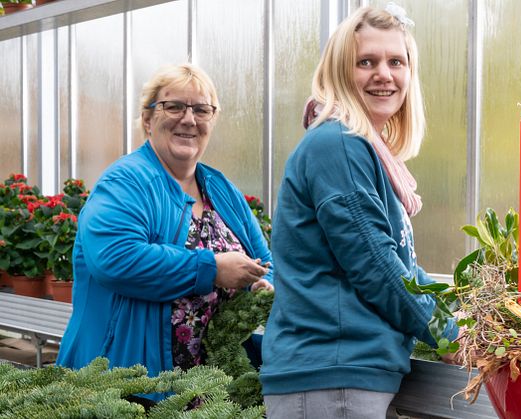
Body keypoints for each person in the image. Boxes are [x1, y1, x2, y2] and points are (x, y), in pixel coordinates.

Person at [260, 4, 456, 418]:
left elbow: (404, 267)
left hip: (343, 379)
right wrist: (449, 335)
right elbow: (379, 267)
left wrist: (466, 316)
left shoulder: (363, 150)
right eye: (366, 62)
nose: (383, 74)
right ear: (339, 72)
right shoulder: (339, 145)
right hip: (331, 378)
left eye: (395, 61)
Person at [57, 64, 273, 397]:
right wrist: (211, 269)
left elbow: (266, 261)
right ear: (147, 120)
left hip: (208, 390)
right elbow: (115, 259)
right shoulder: (126, 183)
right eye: (173, 107)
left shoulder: (220, 188)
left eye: (202, 110)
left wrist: (262, 285)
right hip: (128, 385)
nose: (189, 119)